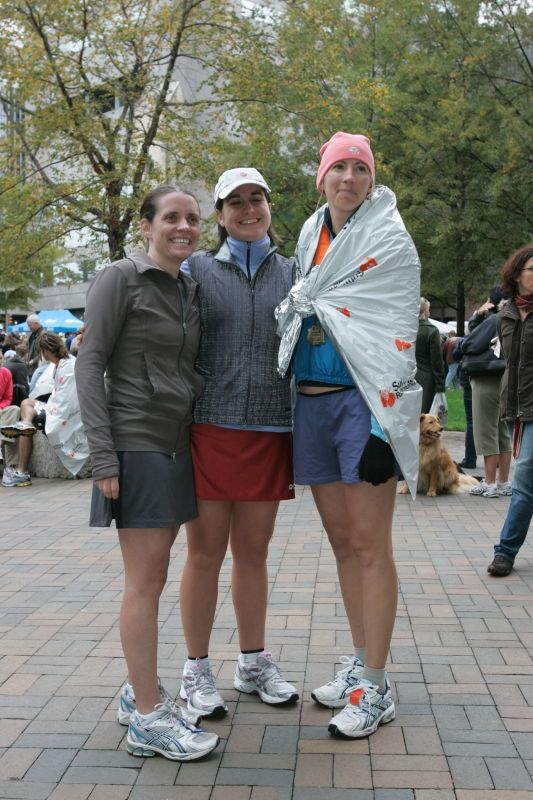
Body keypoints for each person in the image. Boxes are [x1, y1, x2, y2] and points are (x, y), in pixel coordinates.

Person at [276, 132, 421, 739]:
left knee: (371, 546)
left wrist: (387, 427)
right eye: (339, 167)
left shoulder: (389, 240)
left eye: (360, 168)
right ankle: (361, 663)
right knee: (342, 545)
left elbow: (396, 328)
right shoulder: (312, 236)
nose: (348, 178)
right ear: (321, 178)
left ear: (372, 178)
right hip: (311, 403)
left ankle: (378, 685)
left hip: (366, 406)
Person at [75, 185, 219, 761]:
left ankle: (142, 696)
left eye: (191, 218)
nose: (183, 226)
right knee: (145, 583)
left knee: (153, 579)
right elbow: (90, 365)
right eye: (171, 218)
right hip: (136, 447)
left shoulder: (187, 285)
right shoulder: (120, 278)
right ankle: (149, 718)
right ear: (146, 226)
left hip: (174, 445)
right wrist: (104, 457)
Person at [178, 167, 297, 719]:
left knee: (253, 555)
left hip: (270, 430)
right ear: (220, 216)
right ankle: (196, 669)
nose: (249, 210)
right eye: (235, 203)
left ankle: (253, 662)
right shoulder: (195, 269)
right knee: (204, 554)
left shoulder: (297, 273)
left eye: (257, 200)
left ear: (269, 206)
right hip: (208, 427)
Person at [488, 245, 533, 576]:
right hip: (516, 408)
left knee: (524, 479)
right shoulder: (505, 313)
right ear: (517, 275)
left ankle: (505, 551)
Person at [0, 332, 89, 487]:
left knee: (26, 406)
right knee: (26, 403)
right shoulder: (63, 364)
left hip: (66, 413)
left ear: (45, 351)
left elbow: (66, 400)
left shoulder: (66, 367)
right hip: (62, 407)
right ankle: (26, 424)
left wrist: (48, 407)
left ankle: (21, 470)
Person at [460, 286, 512, 498]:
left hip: (486, 379)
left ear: (492, 302)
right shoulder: (513, 318)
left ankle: (489, 482)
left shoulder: (494, 320)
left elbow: (470, 343)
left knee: (486, 430)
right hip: (504, 379)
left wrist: (476, 317)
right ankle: (503, 482)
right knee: (502, 433)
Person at [415, 298, 446, 413]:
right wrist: (440, 386)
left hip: (407, 377)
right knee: (425, 416)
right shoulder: (431, 331)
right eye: (428, 309)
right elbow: (437, 361)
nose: (429, 312)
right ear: (424, 311)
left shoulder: (406, 329)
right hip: (426, 379)